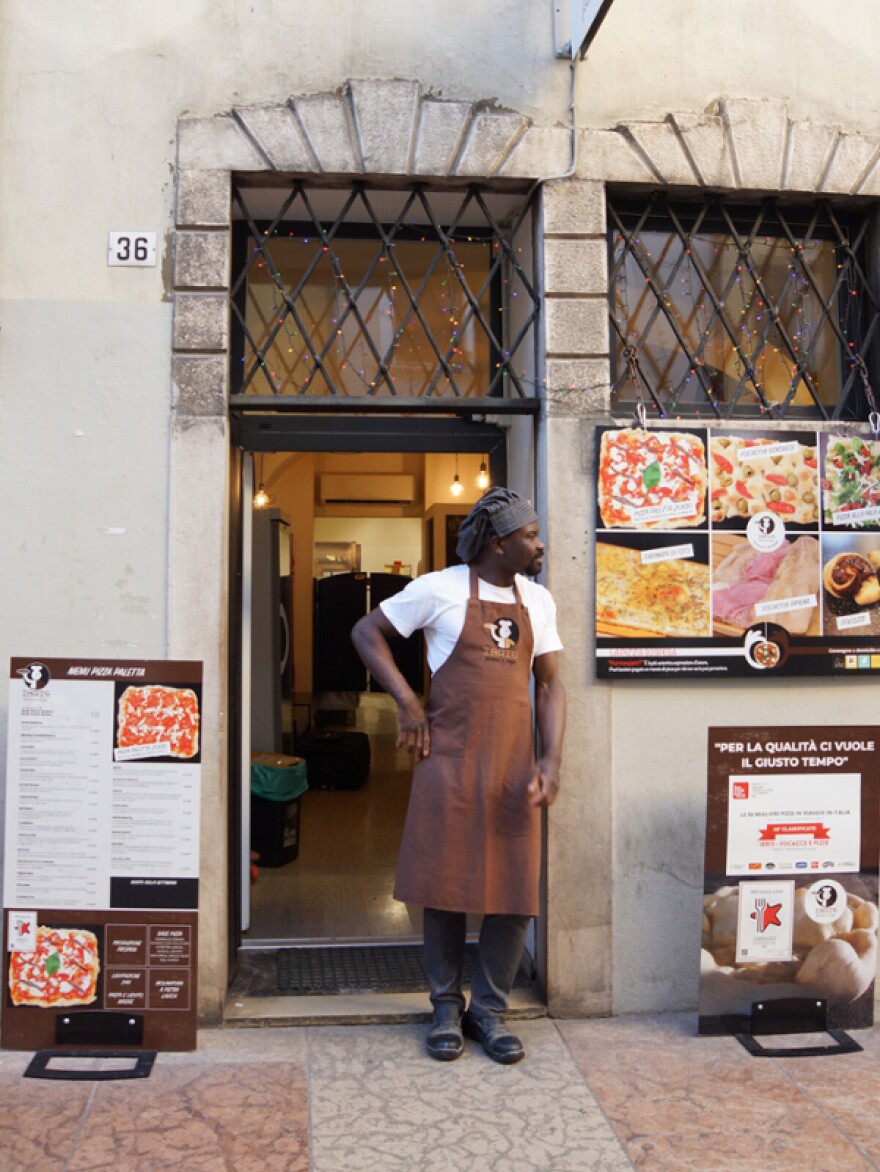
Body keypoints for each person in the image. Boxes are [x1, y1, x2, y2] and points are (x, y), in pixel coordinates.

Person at [351, 487, 565, 1064]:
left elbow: (549, 684)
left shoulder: (538, 601)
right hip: (447, 762)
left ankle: (489, 1010)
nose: (540, 543)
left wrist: (551, 758)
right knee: (443, 886)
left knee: (516, 891)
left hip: (514, 764)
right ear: (500, 543)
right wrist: (406, 701)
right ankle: (445, 1005)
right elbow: (366, 632)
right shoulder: (439, 589)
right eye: (530, 534)